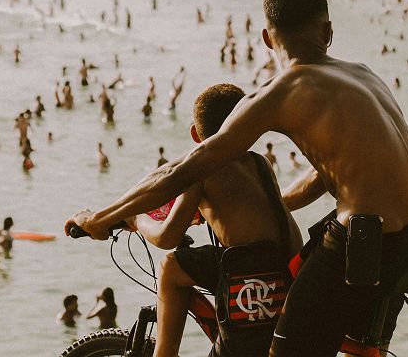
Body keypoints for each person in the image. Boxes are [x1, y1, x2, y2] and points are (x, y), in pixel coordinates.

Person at [66, 0, 408, 357]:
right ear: (328, 32)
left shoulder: (283, 90)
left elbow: (185, 168)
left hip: (363, 242)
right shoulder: (365, 75)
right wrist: (269, 204)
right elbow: (329, 174)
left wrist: (100, 218)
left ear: (267, 39)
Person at [129, 83, 302, 357]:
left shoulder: (202, 167)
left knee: (170, 267)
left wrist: (137, 219)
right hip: (284, 268)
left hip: (247, 274)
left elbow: (167, 237)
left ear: (195, 135)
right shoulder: (261, 163)